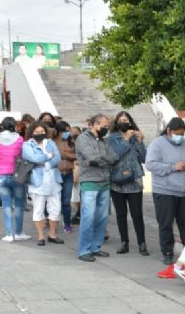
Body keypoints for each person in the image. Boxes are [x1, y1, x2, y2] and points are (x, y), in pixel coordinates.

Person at [145, 117, 185, 266]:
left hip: (184, 192)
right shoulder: (157, 144)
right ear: (169, 131)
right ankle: (167, 252)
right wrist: (173, 167)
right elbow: (150, 164)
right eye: (177, 133)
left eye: (182, 134)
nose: (180, 137)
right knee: (166, 223)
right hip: (165, 191)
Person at [75, 114, 119, 262]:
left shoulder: (104, 141)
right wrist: (98, 159)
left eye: (107, 127)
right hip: (90, 182)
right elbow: (91, 157)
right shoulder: (83, 139)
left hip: (105, 182)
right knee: (88, 217)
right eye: (104, 126)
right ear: (94, 124)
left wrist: (98, 160)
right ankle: (84, 250)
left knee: (102, 217)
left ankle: (96, 247)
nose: (106, 129)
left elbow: (114, 157)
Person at [108, 111, 149, 256]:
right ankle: (124, 242)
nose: (124, 122)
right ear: (117, 122)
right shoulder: (112, 138)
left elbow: (144, 158)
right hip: (117, 181)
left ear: (130, 122)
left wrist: (140, 141)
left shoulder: (135, 137)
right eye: (121, 120)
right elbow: (114, 156)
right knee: (121, 214)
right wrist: (126, 140)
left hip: (134, 181)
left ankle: (142, 243)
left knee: (137, 213)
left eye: (126, 120)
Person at [22, 122, 64, 246]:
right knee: (38, 209)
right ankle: (40, 236)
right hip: (38, 182)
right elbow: (34, 159)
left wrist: (46, 162)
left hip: (54, 181)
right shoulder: (27, 145)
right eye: (37, 132)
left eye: (42, 132)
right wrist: (48, 155)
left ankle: (52, 234)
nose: (40, 134)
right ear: (32, 132)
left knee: (55, 209)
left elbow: (57, 158)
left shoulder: (50, 143)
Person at [0, 117, 30, 242]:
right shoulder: (20, 139)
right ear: (14, 126)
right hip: (16, 175)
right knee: (19, 205)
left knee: (6, 205)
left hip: (0, 175)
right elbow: (23, 155)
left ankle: (9, 234)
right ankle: (19, 232)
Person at [53, 121, 77, 233]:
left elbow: (77, 155)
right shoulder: (52, 141)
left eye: (68, 130)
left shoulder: (71, 141)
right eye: (65, 131)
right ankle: (51, 220)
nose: (67, 132)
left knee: (66, 201)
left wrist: (66, 155)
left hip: (68, 173)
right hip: (56, 173)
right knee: (54, 200)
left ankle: (67, 223)